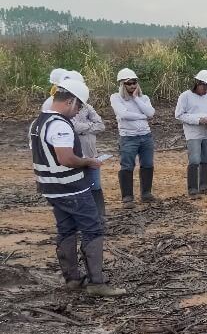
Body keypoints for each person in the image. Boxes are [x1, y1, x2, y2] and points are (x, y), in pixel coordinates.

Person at [29, 74, 124, 297]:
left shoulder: (37, 123)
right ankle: (96, 283)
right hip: (71, 187)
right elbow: (66, 158)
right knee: (92, 229)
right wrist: (89, 162)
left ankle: (72, 279)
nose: (77, 111)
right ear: (70, 101)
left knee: (66, 229)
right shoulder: (59, 125)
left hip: (51, 188)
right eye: (78, 106)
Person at [111, 68, 157, 205]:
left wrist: (136, 98)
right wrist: (142, 116)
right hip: (128, 137)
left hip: (145, 136)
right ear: (122, 85)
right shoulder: (116, 97)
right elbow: (123, 114)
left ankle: (146, 193)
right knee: (127, 165)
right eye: (128, 83)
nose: (132, 86)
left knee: (148, 164)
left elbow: (150, 113)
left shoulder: (143, 98)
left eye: (134, 83)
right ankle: (127, 196)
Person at [175, 70, 207, 197]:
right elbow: (179, 115)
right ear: (198, 83)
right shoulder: (185, 96)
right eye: (205, 87)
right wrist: (198, 120)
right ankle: (193, 188)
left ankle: (204, 186)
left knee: (206, 159)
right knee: (194, 159)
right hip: (193, 133)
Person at [70, 90, 107, 220]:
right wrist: (90, 127)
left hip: (92, 154)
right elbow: (72, 126)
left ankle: (99, 215)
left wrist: (83, 129)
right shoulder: (65, 109)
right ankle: (82, 215)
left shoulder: (87, 107)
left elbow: (101, 126)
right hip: (75, 155)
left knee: (95, 186)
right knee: (78, 186)